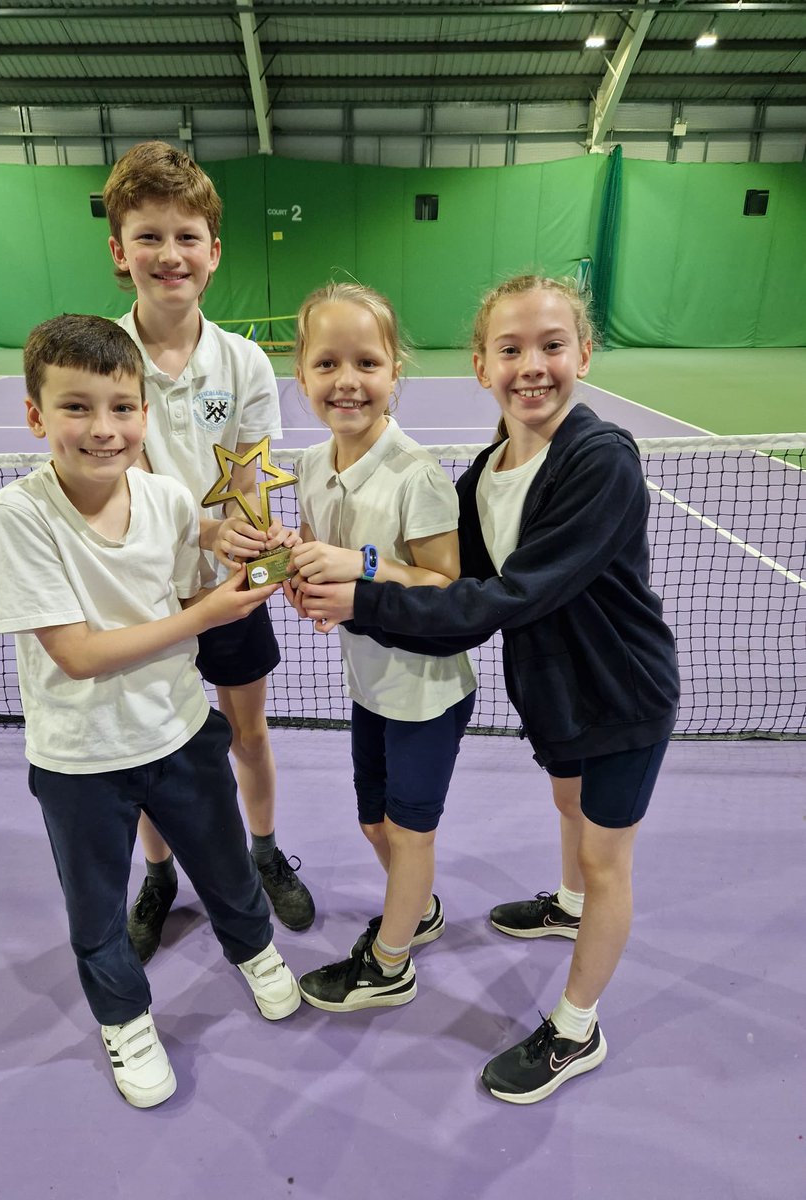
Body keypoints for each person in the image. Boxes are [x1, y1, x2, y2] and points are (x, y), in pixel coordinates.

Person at [292, 275, 680, 1101]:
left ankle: (577, 1029)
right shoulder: (486, 472)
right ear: (480, 365)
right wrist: (349, 591)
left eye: (551, 346)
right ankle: (569, 905)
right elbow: (449, 589)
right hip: (551, 688)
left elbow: (503, 600)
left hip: (620, 694)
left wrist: (361, 596)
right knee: (567, 809)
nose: (532, 367)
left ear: (583, 352)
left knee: (608, 859)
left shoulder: (600, 460)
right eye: (511, 350)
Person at [0, 315, 301, 1108]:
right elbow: (79, 654)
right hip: (79, 760)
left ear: (145, 416)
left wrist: (267, 561)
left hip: (181, 732)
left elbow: (197, 578)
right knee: (96, 912)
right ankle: (125, 1021)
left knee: (227, 865)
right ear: (36, 416)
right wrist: (209, 615)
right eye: (77, 408)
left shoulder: (164, 498)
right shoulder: (17, 517)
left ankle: (255, 951)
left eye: (122, 408)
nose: (103, 428)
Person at [101, 141, 315, 957]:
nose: (169, 254)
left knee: (247, 734)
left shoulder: (246, 363)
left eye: (187, 235)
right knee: (152, 748)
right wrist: (206, 530)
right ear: (120, 252)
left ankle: (263, 851)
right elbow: (125, 486)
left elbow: (254, 481)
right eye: (148, 236)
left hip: (232, 591)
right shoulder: (104, 358)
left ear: (214, 252)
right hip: (144, 596)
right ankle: (159, 873)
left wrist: (258, 547)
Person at [285, 282, 477, 1012]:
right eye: (326, 363)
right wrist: (299, 572)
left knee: (407, 828)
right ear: (301, 375)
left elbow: (444, 585)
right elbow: (319, 560)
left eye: (366, 362)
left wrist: (361, 567)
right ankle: (416, 907)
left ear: (395, 372)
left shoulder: (417, 477)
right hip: (368, 682)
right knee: (374, 820)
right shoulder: (308, 468)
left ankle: (391, 963)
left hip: (426, 691)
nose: (347, 381)